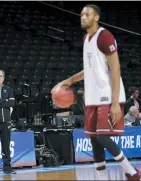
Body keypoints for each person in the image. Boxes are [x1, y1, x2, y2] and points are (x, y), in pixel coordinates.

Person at [52, 4, 140, 180]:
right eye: (82, 14)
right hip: (93, 98)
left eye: (88, 14)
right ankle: (102, 178)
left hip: (108, 95)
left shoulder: (105, 37)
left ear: (97, 17)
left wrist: (115, 102)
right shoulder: (86, 39)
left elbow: (115, 69)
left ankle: (131, 172)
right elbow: (89, 70)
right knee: (93, 138)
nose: (83, 17)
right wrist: (68, 81)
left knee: (102, 137)